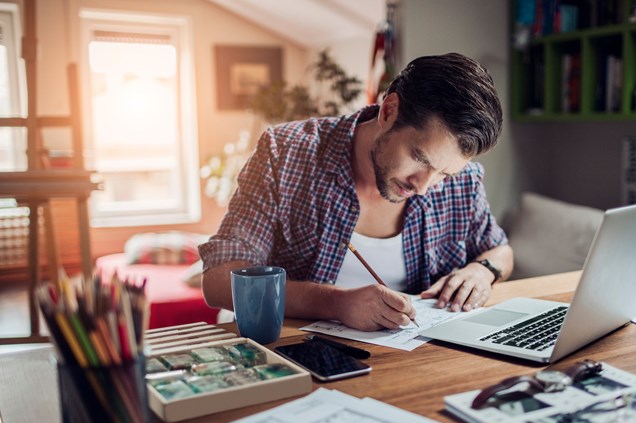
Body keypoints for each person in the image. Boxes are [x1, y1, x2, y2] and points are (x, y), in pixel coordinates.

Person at [200, 52, 513, 331]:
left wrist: (482, 271)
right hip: (293, 355)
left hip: (412, 362)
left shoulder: (463, 179)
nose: (422, 187)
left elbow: (500, 250)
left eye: (443, 174)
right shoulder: (285, 152)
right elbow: (218, 282)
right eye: (419, 158)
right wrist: (335, 303)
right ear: (389, 110)